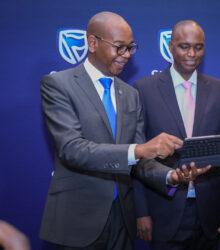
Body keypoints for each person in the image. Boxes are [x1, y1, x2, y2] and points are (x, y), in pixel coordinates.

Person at [39, 12, 207, 250]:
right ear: (92, 43)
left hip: (123, 220)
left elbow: (139, 160)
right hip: (78, 219)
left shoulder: (130, 94)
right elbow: (71, 149)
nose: (126, 55)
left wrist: (171, 176)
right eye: (119, 47)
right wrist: (140, 149)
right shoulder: (58, 84)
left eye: (130, 48)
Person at [133, 20, 220, 250]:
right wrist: (141, 212)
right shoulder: (143, 89)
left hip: (210, 214)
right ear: (170, 46)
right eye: (184, 46)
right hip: (163, 210)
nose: (192, 53)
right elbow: (137, 155)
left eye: (199, 46)